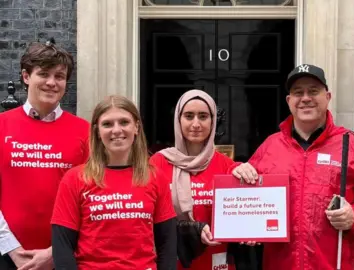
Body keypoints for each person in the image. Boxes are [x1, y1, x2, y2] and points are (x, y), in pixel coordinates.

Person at [231, 64, 354, 269]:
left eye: (313, 91)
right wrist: (237, 170)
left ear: (328, 96)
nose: (306, 98)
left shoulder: (352, 143)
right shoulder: (270, 146)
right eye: (298, 92)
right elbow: (247, 193)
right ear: (289, 101)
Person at [50, 95, 177, 269]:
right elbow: (62, 246)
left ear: (136, 127)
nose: (116, 130)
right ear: (97, 131)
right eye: (107, 124)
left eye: (124, 122)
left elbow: (167, 245)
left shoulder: (155, 177)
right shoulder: (75, 179)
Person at [0, 41, 89, 269]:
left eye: (59, 76)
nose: (51, 82)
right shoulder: (2, 125)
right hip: (6, 256)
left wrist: (56, 251)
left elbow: (92, 200)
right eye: (44, 74)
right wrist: (11, 249)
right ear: (26, 76)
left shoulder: (85, 132)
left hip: (67, 255)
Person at [150, 89, 256, 270]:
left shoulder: (228, 167)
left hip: (217, 262)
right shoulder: (158, 163)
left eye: (203, 116)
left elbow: (245, 216)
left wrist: (251, 231)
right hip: (173, 262)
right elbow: (147, 217)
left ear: (213, 121)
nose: (196, 124)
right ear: (178, 120)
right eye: (189, 116)